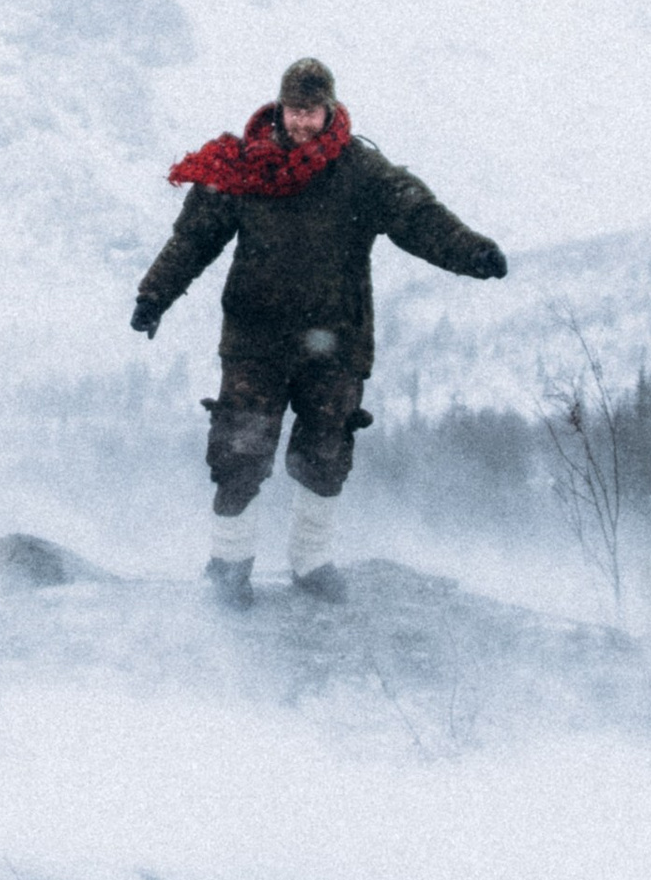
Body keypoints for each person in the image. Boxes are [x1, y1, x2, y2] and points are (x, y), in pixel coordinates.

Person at [131, 57, 507, 605]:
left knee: (326, 452)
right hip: (255, 341)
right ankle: (229, 568)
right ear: (280, 107)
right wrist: (153, 295)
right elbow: (194, 238)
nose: (302, 122)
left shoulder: (361, 172)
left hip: (336, 341)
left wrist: (472, 251)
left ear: (329, 109)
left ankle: (311, 565)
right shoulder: (244, 167)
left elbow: (417, 216)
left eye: (312, 111)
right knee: (239, 450)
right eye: (294, 110)